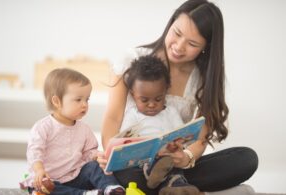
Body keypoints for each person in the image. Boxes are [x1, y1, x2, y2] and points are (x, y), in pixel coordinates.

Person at [98, 0, 258, 194]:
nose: (179, 47)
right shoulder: (133, 60)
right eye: (177, 33)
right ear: (170, 23)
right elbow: (113, 117)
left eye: (192, 44)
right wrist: (110, 154)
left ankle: (171, 184)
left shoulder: (202, 78)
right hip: (133, 166)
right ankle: (178, 187)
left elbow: (200, 138)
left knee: (246, 159)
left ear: (205, 47)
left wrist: (188, 156)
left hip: (174, 164)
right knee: (125, 174)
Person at [21, 68, 125, 195]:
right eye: (78, 100)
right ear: (57, 101)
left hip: (75, 177)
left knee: (94, 166)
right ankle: (85, 194)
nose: (84, 105)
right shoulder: (43, 127)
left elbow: (89, 152)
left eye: (87, 99)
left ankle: (111, 188)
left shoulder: (84, 129)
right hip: (49, 180)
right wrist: (39, 170)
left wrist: (97, 156)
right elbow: (34, 151)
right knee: (42, 189)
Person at [119, 55, 202, 194]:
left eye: (158, 99)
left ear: (166, 91)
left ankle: (175, 188)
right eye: (144, 100)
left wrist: (179, 145)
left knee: (173, 166)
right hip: (142, 163)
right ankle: (156, 177)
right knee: (131, 171)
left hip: (170, 158)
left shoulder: (171, 112)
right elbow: (125, 141)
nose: (151, 105)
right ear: (133, 95)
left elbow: (181, 134)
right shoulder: (133, 115)